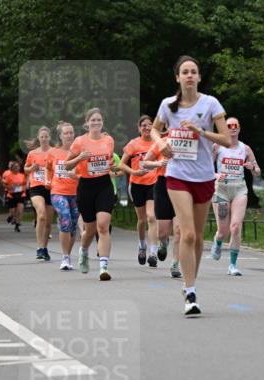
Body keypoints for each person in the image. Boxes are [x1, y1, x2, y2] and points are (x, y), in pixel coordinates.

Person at [149, 55, 229, 316]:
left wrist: (201, 131)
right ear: (178, 77)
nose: (189, 75)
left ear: (199, 77)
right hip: (177, 175)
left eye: (194, 71)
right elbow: (155, 129)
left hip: (204, 176)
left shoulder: (210, 104)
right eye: (185, 72)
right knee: (188, 234)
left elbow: (226, 140)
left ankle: (188, 283)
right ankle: (191, 292)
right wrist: (161, 144)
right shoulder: (167, 105)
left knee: (198, 236)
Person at [65, 107, 116, 280]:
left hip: (104, 185)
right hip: (86, 187)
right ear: (87, 123)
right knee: (90, 229)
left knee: (103, 225)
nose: (96, 122)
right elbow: (67, 165)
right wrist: (80, 158)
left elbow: (110, 161)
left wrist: (112, 166)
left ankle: (103, 267)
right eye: (92, 120)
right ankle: (84, 250)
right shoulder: (79, 141)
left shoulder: (108, 140)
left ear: (102, 122)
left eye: (98, 119)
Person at [210, 116, 261, 276]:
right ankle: (218, 241)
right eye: (229, 126)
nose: (232, 128)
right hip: (221, 191)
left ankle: (232, 265)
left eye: (235, 125)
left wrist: (252, 167)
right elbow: (205, 169)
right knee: (223, 230)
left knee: (236, 227)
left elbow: (258, 171)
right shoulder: (217, 146)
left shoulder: (245, 149)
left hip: (239, 189)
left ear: (239, 128)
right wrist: (216, 175)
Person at [120, 115, 159, 267]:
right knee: (142, 220)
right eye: (144, 125)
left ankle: (153, 253)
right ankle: (142, 245)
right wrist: (134, 172)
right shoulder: (133, 144)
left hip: (153, 183)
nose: (147, 127)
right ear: (139, 128)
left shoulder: (157, 142)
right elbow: (122, 165)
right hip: (137, 185)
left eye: (150, 125)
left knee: (152, 217)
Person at [142, 132, 182, 278]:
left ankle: (175, 264)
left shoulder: (188, 141)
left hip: (182, 184)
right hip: (163, 185)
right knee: (162, 233)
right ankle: (163, 243)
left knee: (179, 230)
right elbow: (145, 162)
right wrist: (159, 163)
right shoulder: (162, 142)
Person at [47, 121, 79, 271]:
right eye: (66, 133)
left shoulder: (78, 152)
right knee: (65, 218)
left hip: (76, 193)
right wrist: (47, 180)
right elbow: (48, 168)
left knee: (73, 226)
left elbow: (85, 172)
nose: (69, 135)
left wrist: (77, 176)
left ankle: (67, 255)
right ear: (60, 136)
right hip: (58, 192)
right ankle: (65, 258)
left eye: (71, 132)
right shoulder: (53, 152)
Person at [24, 126, 54, 260]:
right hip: (36, 187)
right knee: (41, 215)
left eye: (46, 136)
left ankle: (44, 248)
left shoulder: (54, 152)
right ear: (39, 138)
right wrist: (32, 167)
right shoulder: (32, 153)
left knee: (48, 222)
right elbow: (25, 169)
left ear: (50, 138)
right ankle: (39, 247)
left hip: (50, 188)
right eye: (42, 136)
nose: (44, 139)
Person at [2, 160, 26, 231]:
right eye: (15, 167)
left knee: (20, 210)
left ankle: (17, 225)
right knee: (12, 211)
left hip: (21, 194)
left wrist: (23, 188)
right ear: (12, 168)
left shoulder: (22, 175)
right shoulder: (8, 175)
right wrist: (9, 187)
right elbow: (4, 184)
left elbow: (24, 184)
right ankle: (11, 216)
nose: (17, 168)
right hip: (11, 195)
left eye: (18, 167)